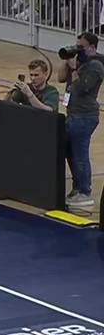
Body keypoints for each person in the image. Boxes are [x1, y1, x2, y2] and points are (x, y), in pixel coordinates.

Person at [58, 32, 104, 208]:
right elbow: (61, 78)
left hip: (85, 116)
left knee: (80, 155)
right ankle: (77, 188)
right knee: (70, 152)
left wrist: (76, 70)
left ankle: (85, 191)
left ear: (92, 47)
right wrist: (67, 61)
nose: (78, 49)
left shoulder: (95, 65)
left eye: (81, 47)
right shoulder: (80, 62)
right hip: (73, 113)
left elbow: (85, 87)